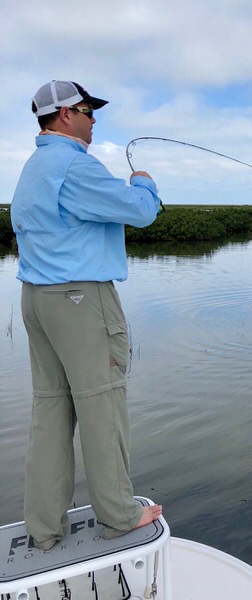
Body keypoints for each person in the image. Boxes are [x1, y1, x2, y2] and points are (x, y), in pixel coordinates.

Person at [11, 80, 163, 550]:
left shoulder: (34, 166)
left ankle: (43, 527)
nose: (94, 119)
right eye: (86, 110)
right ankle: (118, 516)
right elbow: (139, 213)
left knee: (51, 409)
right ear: (62, 116)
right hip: (80, 299)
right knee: (102, 404)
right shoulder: (75, 166)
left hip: (37, 299)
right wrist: (145, 184)